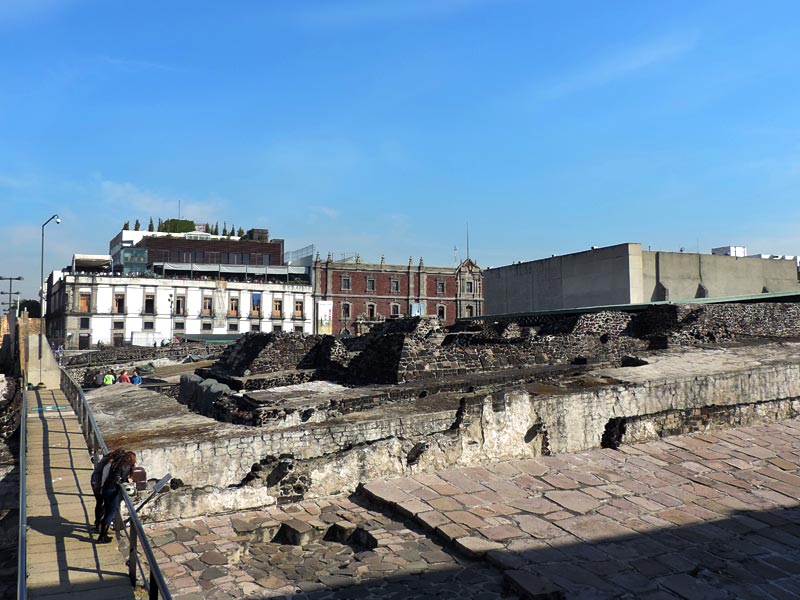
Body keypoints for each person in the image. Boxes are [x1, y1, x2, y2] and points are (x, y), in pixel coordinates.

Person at [97, 450, 137, 544]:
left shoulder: (117, 464)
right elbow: (121, 479)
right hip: (112, 490)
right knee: (111, 512)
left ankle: (102, 532)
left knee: (107, 511)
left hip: (106, 488)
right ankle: (102, 536)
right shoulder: (126, 466)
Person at [89, 449, 125, 533]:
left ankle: (98, 523)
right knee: (106, 504)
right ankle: (103, 526)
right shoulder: (110, 463)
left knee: (100, 503)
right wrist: (102, 488)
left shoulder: (107, 458)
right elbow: (104, 476)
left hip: (95, 480)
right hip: (99, 482)